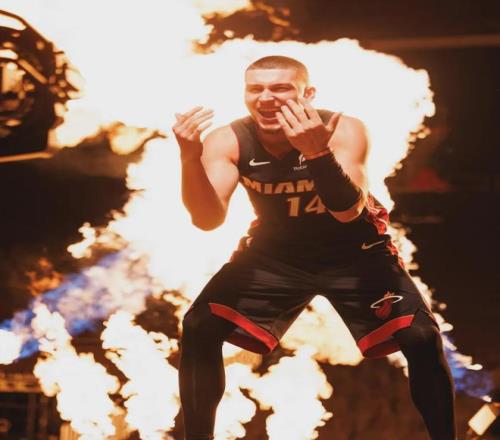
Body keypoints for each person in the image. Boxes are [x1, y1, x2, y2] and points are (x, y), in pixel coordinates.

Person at [173, 55, 456, 440]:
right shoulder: (227, 139)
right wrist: (189, 157)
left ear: (307, 95)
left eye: (281, 88)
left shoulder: (343, 129)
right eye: (256, 89)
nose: (267, 98)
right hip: (275, 254)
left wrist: (316, 153)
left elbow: (347, 212)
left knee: (421, 337)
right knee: (199, 324)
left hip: (356, 253)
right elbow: (207, 220)